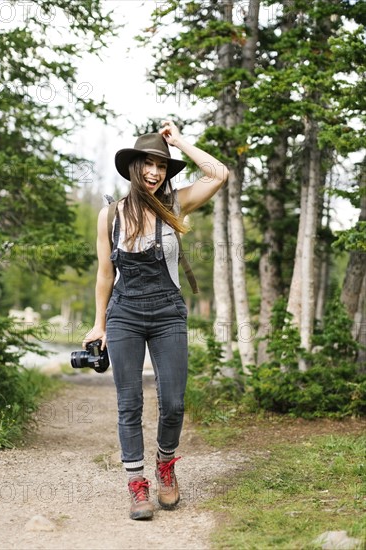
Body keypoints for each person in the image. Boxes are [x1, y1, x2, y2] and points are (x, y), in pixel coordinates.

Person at [82, 120, 229, 520]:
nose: (154, 172)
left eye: (161, 166)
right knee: (129, 403)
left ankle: (165, 465)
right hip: (125, 314)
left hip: (167, 312)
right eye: (148, 164)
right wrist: (99, 324)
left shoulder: (176, 204)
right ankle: (136, 484)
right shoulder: (109, 215)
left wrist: (179, 142)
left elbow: (219, 174)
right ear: (134, 168)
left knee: (174, 403)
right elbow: (104, 274)